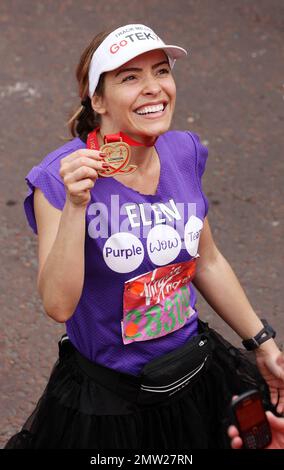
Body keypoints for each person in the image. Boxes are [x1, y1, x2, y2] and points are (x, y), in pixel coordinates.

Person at [5, 23, 284, 449]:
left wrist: (262, 343)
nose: (154, 87)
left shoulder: (183, 152)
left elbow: (206, 261)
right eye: (130, 77)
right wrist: (77, 207)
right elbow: (58, 304)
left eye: (161, 71)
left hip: (192, 375)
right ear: (97, 100)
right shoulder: (61, 179)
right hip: (111, 400)